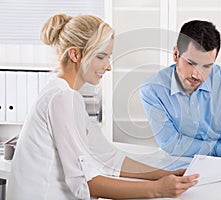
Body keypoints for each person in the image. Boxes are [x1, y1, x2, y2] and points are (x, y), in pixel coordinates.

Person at [8, 14, 199, 199]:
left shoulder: (63, 92)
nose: (108, 67)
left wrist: (162, 174)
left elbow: (107, 157)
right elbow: (86, 183)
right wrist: (158, 189)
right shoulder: (62, 98)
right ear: (75, 54)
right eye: (101, 57)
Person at [140, 20, 221, 159]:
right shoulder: (153, 90)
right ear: (176, 54)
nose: (196, 74)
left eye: (206, 66)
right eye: (191, 63)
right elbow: (172, 143)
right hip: (184, 159)